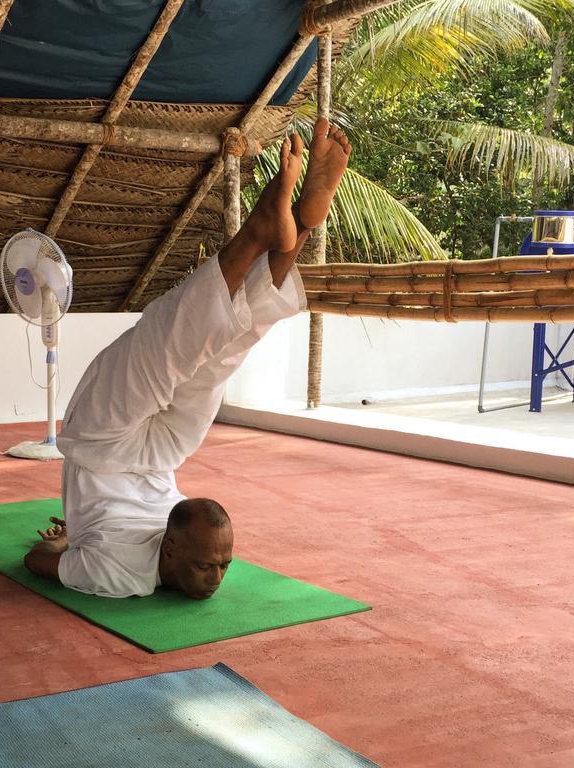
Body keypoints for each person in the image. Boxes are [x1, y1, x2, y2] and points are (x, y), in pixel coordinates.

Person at [23, 118, 351, 599]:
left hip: (128, 450)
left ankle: (296, 222)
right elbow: (40, 560)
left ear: (171, 551)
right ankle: (284, 223)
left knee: (185, 347)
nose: (217, 576)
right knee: (210, 348)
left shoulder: (117, 574)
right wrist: (75, 543)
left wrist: (70, 543)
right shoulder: (113, 574)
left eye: (214, 566)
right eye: (218, 566)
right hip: (139, 454)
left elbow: (35, 562)